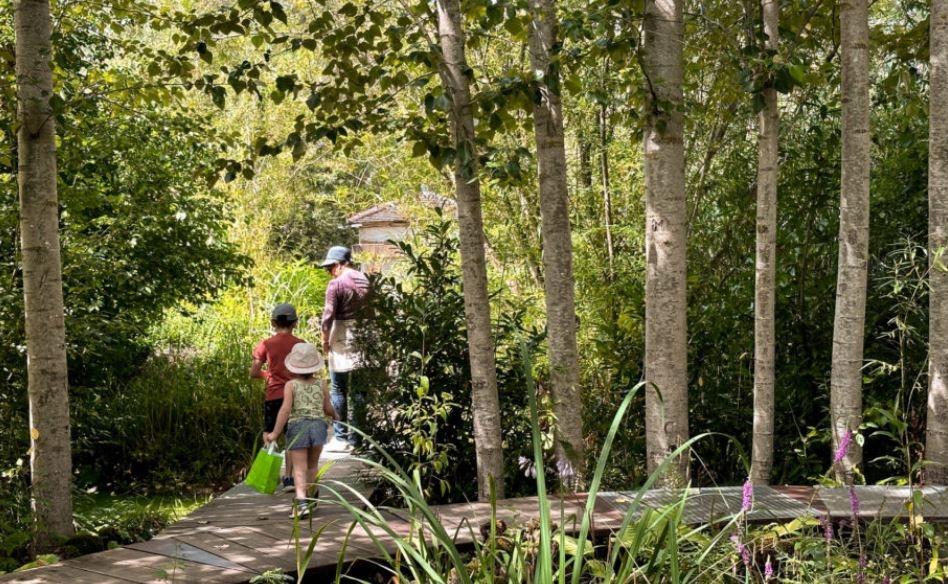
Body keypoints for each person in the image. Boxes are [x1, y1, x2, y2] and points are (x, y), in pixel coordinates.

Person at [264, 342, 338, 519]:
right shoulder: (322, 384)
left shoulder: (291, 385)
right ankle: (311, 498)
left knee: (299, 467)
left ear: (294, 367)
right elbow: (327, 407)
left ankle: (302, 501)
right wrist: (337, 416)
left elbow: (285, 410)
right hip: (318, 426)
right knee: (312, 465)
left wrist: (274, 432)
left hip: (298, 427)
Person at [318, 246, 369, 449]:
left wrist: (324, 342)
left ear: (340, 264)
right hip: (366, 335)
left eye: (330, 267)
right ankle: (358, 440)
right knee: (360, 391)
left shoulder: (336, 284)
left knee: (338, 387)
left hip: (341, 335)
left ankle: (340, 437)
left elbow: (327, 317)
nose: (329, 271)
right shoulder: (365, 280)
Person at [250, 302, 303, 492]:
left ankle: (267, 474)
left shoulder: (265, 345)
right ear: (294, 323)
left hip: (273, 395)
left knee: (270, 433)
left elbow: (254, 372)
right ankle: (289, 479)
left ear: (273, 323)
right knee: (292, 437)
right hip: (295, 396)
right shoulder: (300, 345)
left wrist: (269, 375)